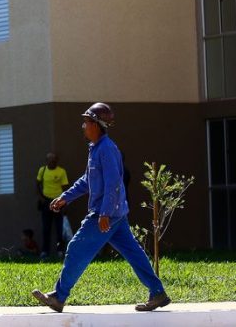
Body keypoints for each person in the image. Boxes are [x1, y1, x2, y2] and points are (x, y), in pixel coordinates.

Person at [32, 103, 170, 313]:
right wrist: (65, 197)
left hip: (106, 214)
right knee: (133, 252)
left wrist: (104, 213)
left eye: (86, 122)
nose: (83, 126)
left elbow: (114, 183)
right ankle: (157, 292)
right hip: (116, 215)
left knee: (76, 248)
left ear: (96, 124)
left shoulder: (106, 149)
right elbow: (88, 180)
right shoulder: (96, 148)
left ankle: (59, 297)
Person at [36, 152, 69, 258]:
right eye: (50, 160)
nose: (52, 162)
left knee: (60, 228)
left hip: (59, 202)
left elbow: (65, 188)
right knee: (46, 228)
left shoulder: (61, 171)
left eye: (54, 160)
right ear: (47, 161)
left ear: (57, 161)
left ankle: (60, 251)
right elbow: (37, 184)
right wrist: (41, 198)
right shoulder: (42, 170)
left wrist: (65, 203)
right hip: (46, 201)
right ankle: (45, 251)